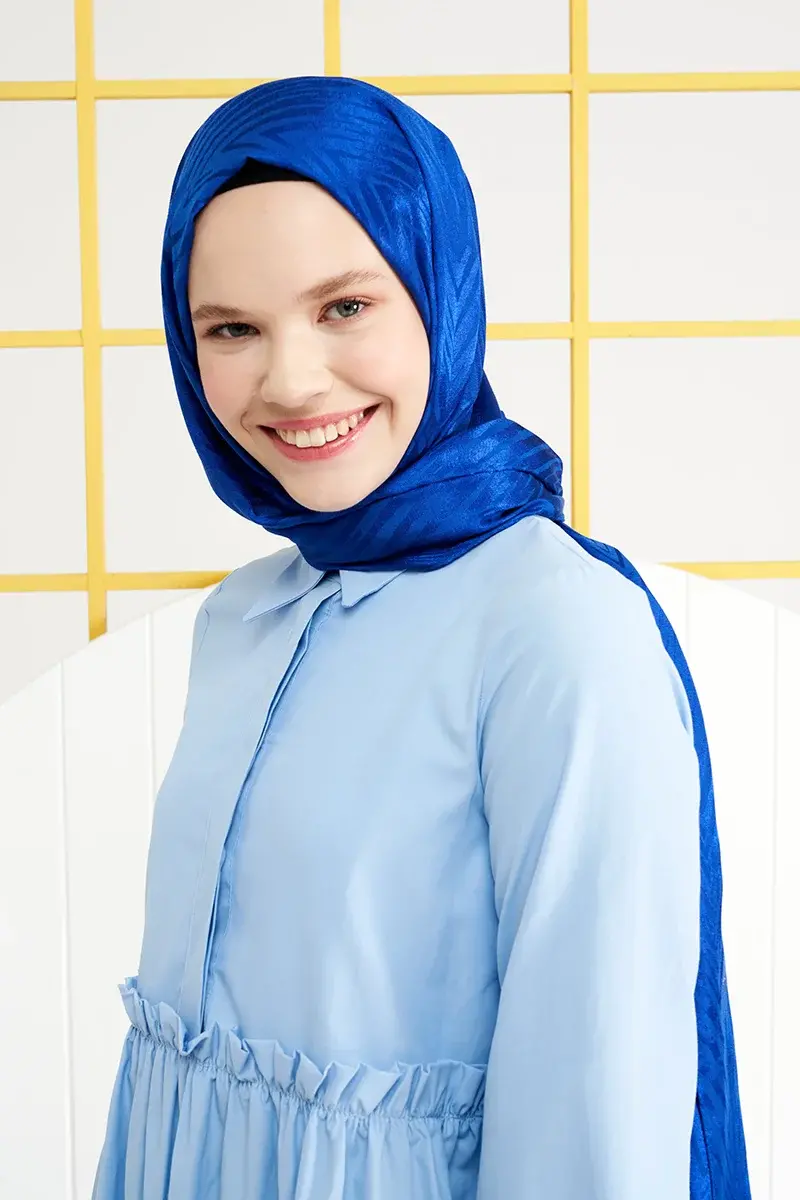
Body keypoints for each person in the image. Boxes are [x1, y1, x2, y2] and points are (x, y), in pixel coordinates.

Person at [91, 75, 751, 1199]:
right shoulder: (244, 618)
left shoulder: (554, 628)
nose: (291, 379)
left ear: (438, 291)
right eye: (232, 328)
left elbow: (594, 1112)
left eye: (344, 307)